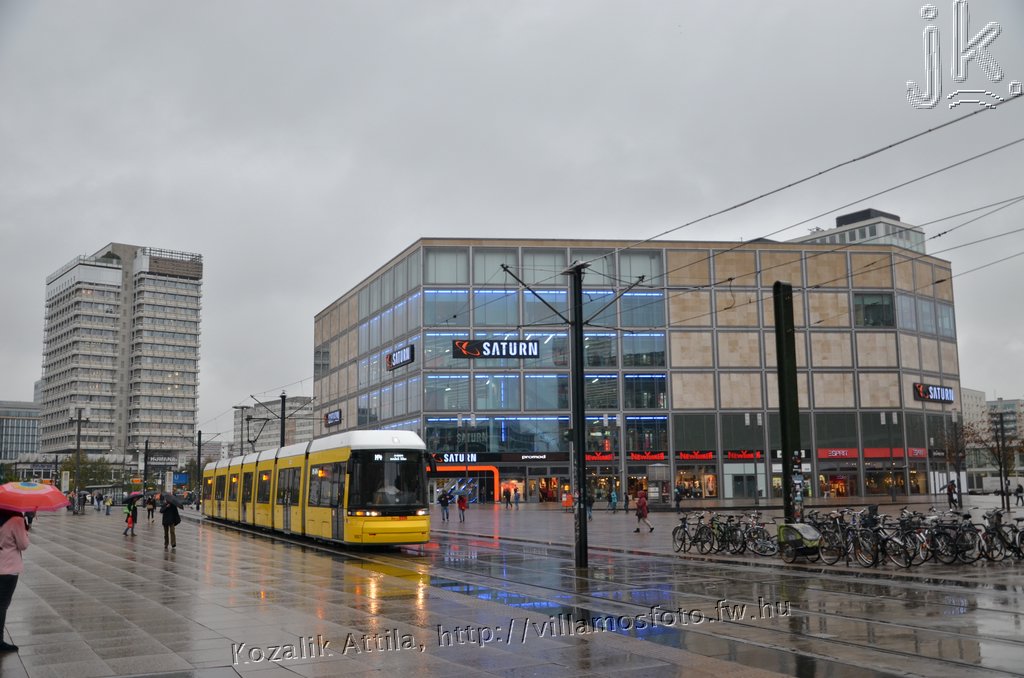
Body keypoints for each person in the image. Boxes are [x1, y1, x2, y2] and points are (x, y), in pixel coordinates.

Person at [0, 509, 30, 653]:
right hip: (8, 569)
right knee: (2, 605)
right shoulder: (16, 519)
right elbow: (23, 545)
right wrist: (25, 531)